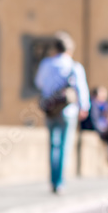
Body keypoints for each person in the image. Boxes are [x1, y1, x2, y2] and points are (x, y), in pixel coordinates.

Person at [34, 32, 91, 194]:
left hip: (50, 109)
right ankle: (60, 182)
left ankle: (53, 181)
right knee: (64, 146)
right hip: (68, 110)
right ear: (70, 50)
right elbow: (81, 88)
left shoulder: (46, 64)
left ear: (54, 49)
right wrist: (84, 107)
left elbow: (39, 83)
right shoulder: (74, 66)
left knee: (53, 145)